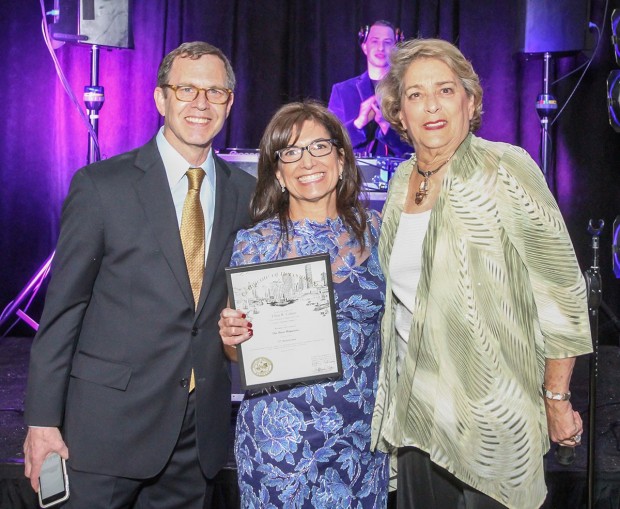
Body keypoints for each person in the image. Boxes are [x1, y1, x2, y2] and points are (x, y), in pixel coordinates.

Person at [23, 41, 255, 508]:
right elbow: (63, 313)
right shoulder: (101, 187)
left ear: (229, 102)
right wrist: (42, 421)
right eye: (186, 89)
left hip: (195, 436)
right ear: (160, 98)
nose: (201, 103)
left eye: (215, 92)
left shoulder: (245, 193)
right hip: (104, 430)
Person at [370, 38, 593, 509]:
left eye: (446, 90)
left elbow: (561, 287)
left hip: (492, 419)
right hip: (416, 416)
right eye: (415, 95)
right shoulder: (397, 186)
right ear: (399, 113)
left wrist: (557, 398)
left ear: (469, 102)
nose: (431, 105)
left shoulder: (503, 167)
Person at [219, 101, 389, 508]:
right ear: (278, 172)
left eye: (318, 147)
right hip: (279, 445)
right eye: (290, 152)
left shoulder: (381, 232)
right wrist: (230, 335)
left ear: (342, 158)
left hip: (361, 441)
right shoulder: (254, 244)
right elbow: (234, 352)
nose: (306, 161)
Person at [328, 20, 412, 158]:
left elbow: (417, 148)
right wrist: (358, 124)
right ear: (364, 47)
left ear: (396, 48)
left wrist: (386, 127)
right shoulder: (342, 90)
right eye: (374, 41)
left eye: (387, 42)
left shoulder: (407, 90)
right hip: (355, 176)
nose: (380, 48)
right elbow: (330, 142)